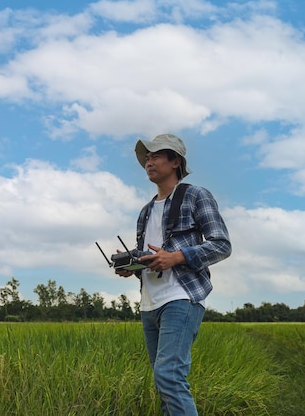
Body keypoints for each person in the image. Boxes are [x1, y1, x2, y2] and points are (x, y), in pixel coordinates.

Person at [116, 133, 231, 415]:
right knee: (164, 382)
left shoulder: (195, 195)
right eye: (146, 157)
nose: (148, 161)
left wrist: (177, 257)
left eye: (155, 156)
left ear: (175, 161)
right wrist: (132, 265)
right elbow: (153, 255)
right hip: (149, 303)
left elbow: (221, 244)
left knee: (169, 376)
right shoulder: (145, 211)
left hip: (181, 296)